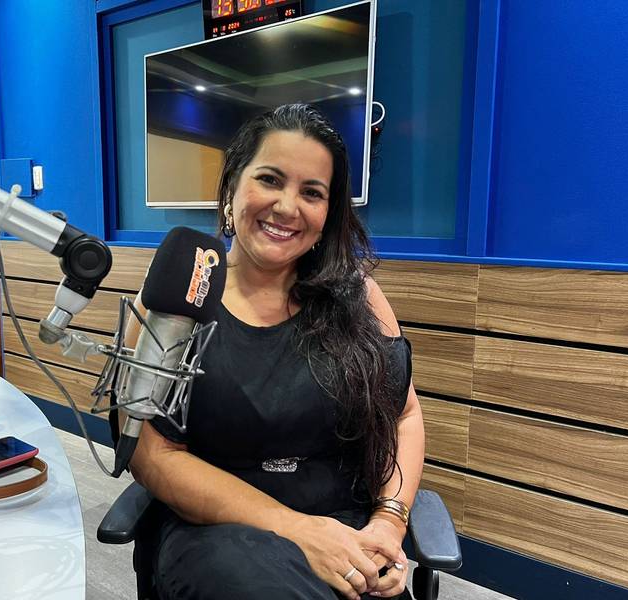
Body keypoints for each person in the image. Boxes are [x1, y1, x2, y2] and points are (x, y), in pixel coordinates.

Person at [127, 104, 424, 600]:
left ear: (328, 213)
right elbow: (150, 453)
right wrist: (301, 532)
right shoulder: (181, 295)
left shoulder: (358, 296)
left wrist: (388, 523)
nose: (288, 207)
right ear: (231, 187)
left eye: (312, 192)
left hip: (347, 532)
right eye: (270, 179)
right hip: (218, 533)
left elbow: (404, 416)